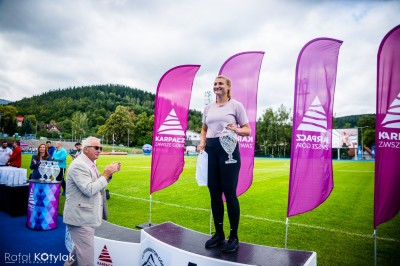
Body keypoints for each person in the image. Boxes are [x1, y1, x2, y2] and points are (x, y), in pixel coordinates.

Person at [197, 75, 251, 253]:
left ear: (228, 87)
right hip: (211, 151)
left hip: (229, 151)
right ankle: (219, 233)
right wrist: (202, 141)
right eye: (215, 84)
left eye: (220, 84)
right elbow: (204, 129)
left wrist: (236, 129)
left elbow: (247, 130)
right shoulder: (208, 108)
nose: (217, 86)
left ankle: (233, 236)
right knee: (214, 193)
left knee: (229, 193)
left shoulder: (236, 106)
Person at [63, 136, 121, 266]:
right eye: (96, 147)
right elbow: (89, 189)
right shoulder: (79, 165)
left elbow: (98, 186)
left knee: (78, 253)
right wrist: (105, 175)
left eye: (100, 148)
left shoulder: (88, 164)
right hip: (81, 219)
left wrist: (109, 175)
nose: (99, 150)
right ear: (86, 149)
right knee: (86, 260)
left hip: (85, 217)